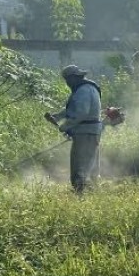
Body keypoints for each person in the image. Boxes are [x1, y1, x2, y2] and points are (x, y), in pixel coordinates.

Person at [45, 65, 103, 194]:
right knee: (91, 164)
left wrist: (64, 126)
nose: (67, 83)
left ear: (73, 78)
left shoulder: (82, 91)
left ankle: (80, 194)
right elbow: (73, 109)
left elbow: (81, 113)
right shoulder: (87, 88)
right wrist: (58, 116)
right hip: (90, 132)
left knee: (80, 164)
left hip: (85, 133)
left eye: (67, 80)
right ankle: (91, 192)